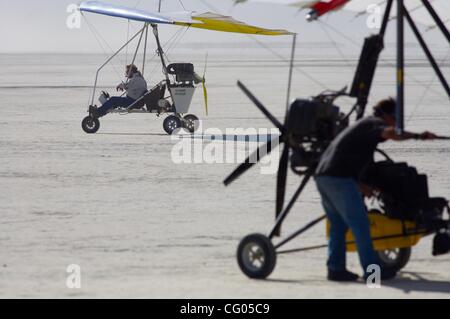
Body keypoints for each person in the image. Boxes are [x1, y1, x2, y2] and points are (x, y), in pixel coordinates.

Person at [314, 98, 437, 282]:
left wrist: (361, 186)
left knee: (338, 226)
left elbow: (348, 160)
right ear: (387, 115)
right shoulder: (374, 123)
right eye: (396, 118)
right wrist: (418, 136)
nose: (396, 123)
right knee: (361, 225)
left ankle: (336, 269)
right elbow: (390, 133)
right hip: (338, 179)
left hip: (325, 177)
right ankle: (373, 272)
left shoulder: (363, 126)